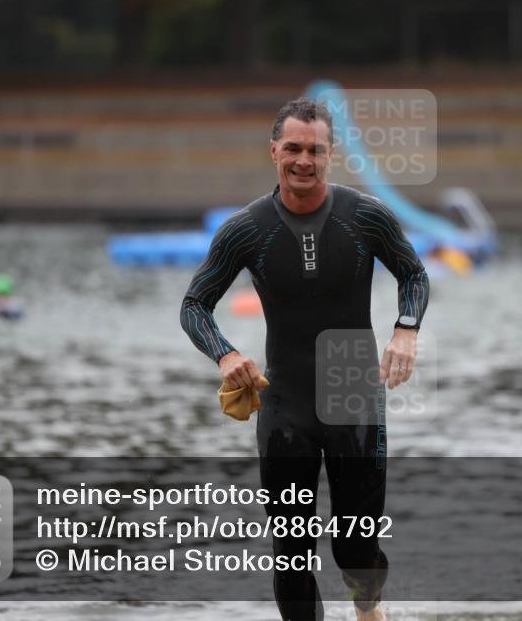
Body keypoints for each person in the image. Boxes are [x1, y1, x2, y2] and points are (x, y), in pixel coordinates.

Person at [180, 98, 429, 621]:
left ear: (330, 154)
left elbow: (414, 274)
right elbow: (194, 305)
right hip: (285, 402)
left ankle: (369, 611)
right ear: (274, 150)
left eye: (315, 150)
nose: (303, 161)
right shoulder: (247, 229)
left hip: (352, 393)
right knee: (292, 556)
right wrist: (224, 354)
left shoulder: (365, 216)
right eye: (292, 148)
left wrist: (406, 330)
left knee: (356, 548)